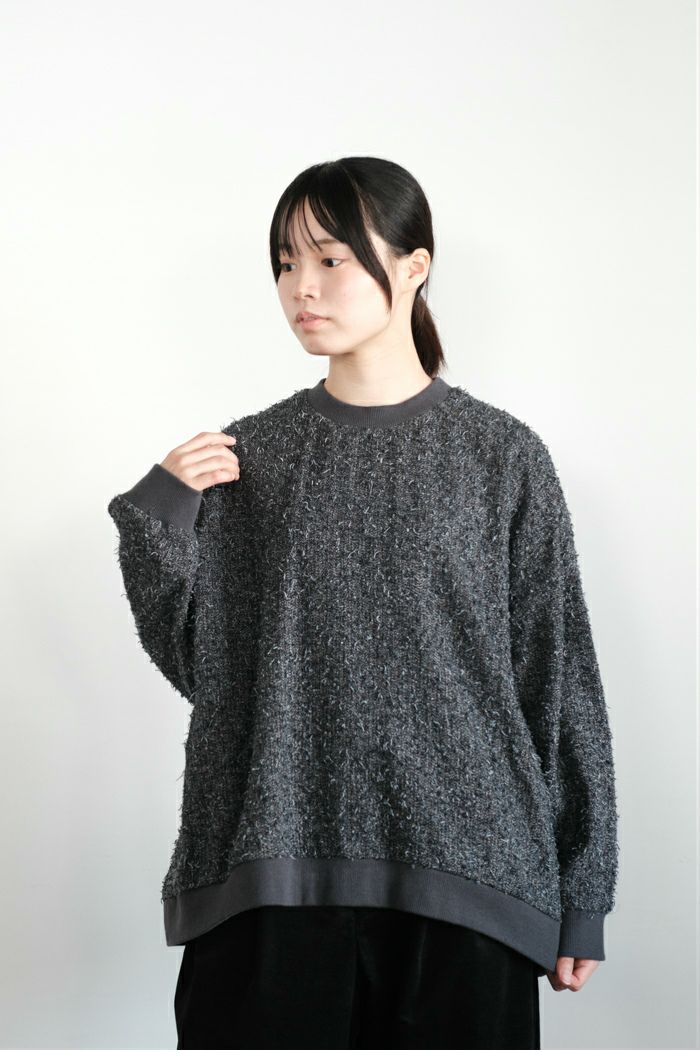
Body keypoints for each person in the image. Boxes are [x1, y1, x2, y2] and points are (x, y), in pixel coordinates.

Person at [107, 156, 619, 1049]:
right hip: (274, 879)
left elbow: (557, 678)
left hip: (470, 885)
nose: (301, 287)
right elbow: (210, 672)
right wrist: (159, 519)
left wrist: (583, 892)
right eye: (285, 263)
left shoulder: (502, 459)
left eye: (331, 259)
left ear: (414, 267)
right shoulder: (250, 458)